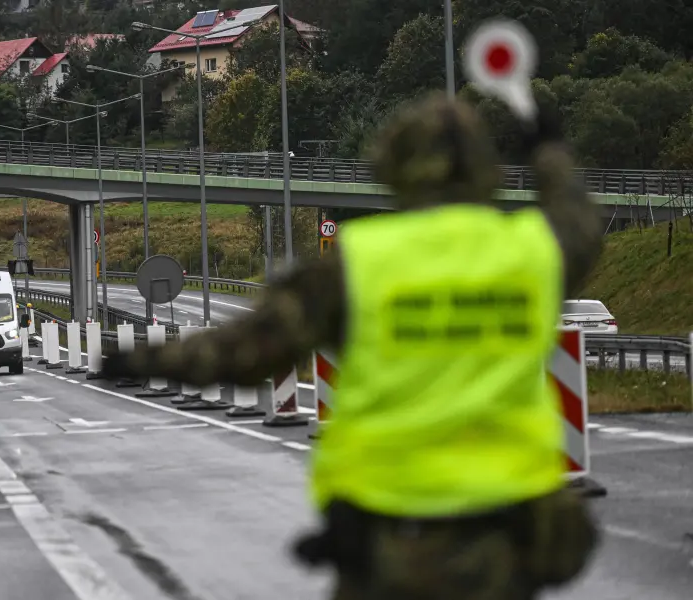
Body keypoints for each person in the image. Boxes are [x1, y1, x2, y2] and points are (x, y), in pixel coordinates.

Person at [102, 92, 603, 599]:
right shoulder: (533, 249)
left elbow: (247, 352)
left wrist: (137, 359)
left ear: (395, 167)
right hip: (507, 538)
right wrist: (549, 151)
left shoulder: (360, 262)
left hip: (390, 541)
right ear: (485, 168)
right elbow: (579, 219)